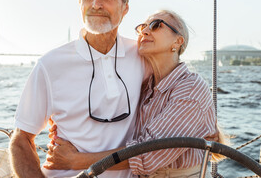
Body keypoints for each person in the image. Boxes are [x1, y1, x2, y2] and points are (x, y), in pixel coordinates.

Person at [45, 10, 226, 177]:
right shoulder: (146, 86)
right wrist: (64, 122)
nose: (145, 31)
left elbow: (149, 154)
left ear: (178, 42)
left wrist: (75, 161)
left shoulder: (191, 88)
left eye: (156, 25)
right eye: (142, 27)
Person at [9, 0, 145, 178]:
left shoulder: (143, 56)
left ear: (125, 7)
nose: (96, 4)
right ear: (79, 4)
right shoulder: (50, 64)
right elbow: (21, 139)